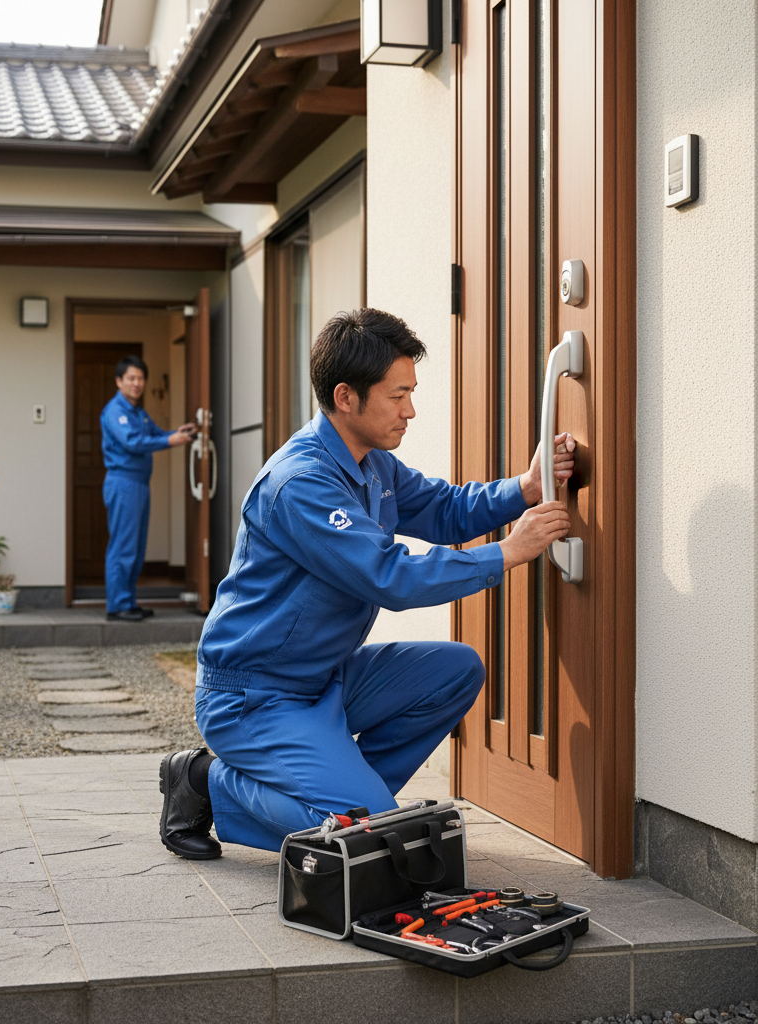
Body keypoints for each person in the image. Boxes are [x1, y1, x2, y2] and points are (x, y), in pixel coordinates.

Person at [158, 308, 576, 860]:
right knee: (366, 833)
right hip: (254, 696)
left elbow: (444, 509)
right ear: (346, 397)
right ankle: (206, 781)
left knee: (456, 670)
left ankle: (354, 804)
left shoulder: (374, 464)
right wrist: (507, 552)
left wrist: (525, 487)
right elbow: (390, 577)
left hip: (323, 680)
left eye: (411, 393)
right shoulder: (300, 483)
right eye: (398, 396)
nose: (410, 411)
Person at [100, 355, 195, 622]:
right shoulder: (115, 411)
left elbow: (155, 434)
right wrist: (171, 441)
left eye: (140, 378)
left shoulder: (139, 412)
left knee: (136, 547)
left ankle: (128, 601)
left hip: (139, 484)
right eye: (131, 378)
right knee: (123, 546)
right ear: (119, 381)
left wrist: (177, 432)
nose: (136, 383)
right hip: (123, 482)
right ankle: (117, 605)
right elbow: (132, 442)